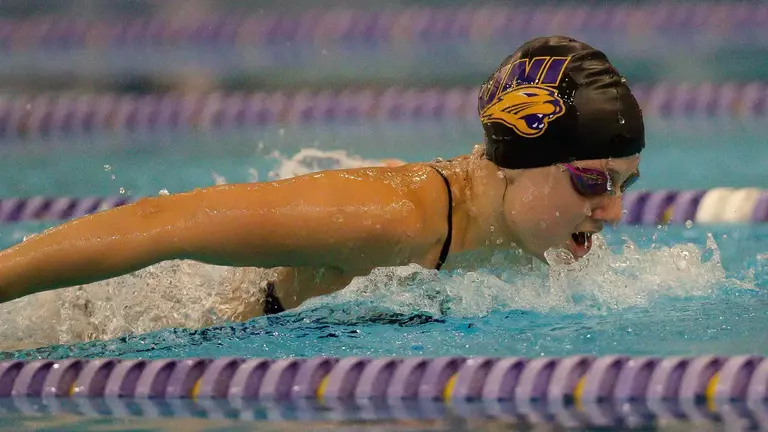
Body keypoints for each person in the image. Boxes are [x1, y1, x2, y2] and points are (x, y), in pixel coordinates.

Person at [0, 35, 643, 321]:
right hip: (154, 327)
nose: (612, 213)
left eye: (624, 185)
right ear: (517, 163)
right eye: (592, 181)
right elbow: (159, 224)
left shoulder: (536, 228)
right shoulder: (389, 219)